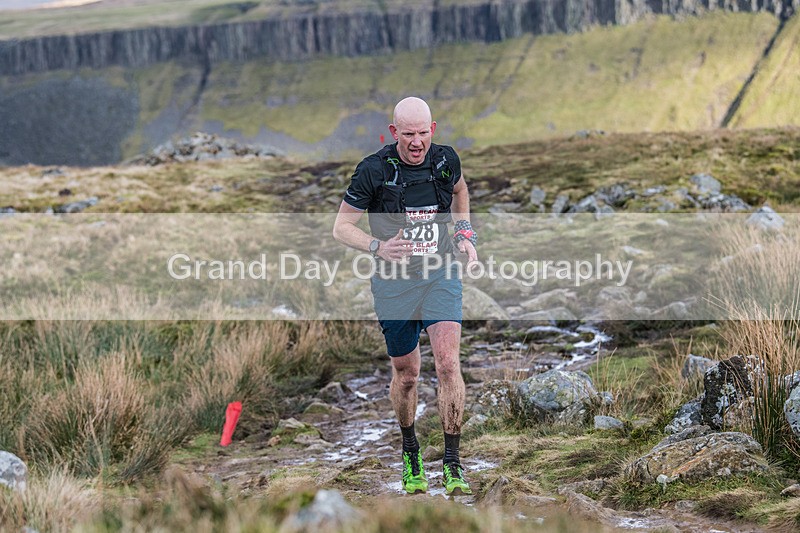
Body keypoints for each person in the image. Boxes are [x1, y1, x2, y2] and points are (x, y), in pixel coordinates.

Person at [332, 97, 478, 495]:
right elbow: (341, 227)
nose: (417, 142)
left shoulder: (446, 160)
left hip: (440, 274)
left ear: (434, 129)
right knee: (407, 373)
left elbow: (460, 190)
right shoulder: (373, 170)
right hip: (393, 284)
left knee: (448, 363)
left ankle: (452, 463)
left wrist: (464, 233)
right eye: (409, 134)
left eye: (423, 133)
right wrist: (378, 247)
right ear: (394, 132)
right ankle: (411, 450)